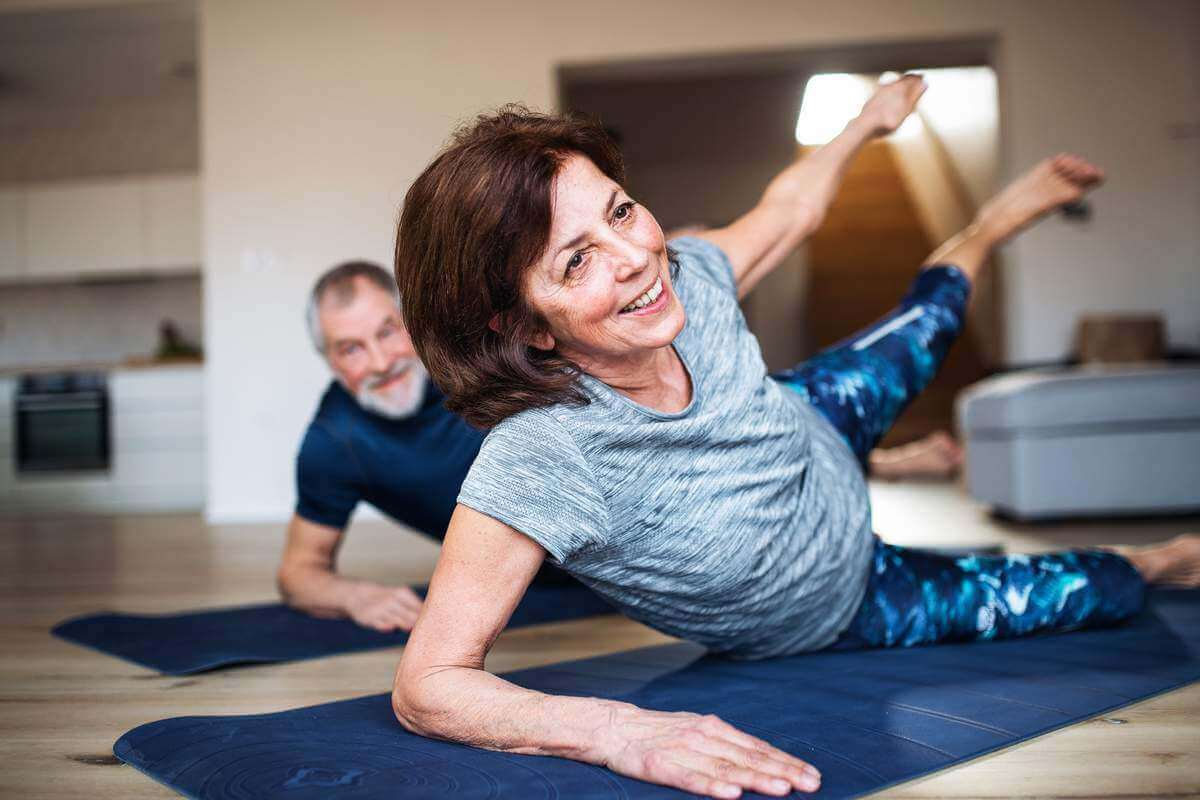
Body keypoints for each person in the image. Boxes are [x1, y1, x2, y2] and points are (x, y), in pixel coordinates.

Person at [389, 78, 1200, 799]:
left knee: (931, 315)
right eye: (577, 261)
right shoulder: (543, 458)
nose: (639, 257)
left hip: (811, 418)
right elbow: (428, 685)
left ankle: (986, 228)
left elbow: (789, 212)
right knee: (1092, 589)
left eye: (622, 211)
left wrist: (863, 124)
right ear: (519, 325)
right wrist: (621, 731)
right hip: (848, 602)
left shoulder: (689, 277)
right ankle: (1162, 558)